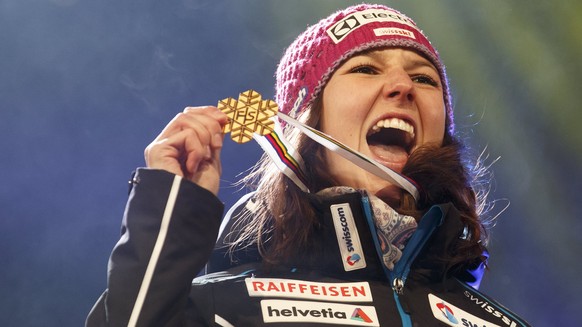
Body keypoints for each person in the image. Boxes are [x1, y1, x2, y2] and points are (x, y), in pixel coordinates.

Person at [86, 4, 530, 326]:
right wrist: (170, 211)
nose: (401, 86)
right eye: (365, 70)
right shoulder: (222, 308)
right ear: (303, 128)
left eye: (423, 78)